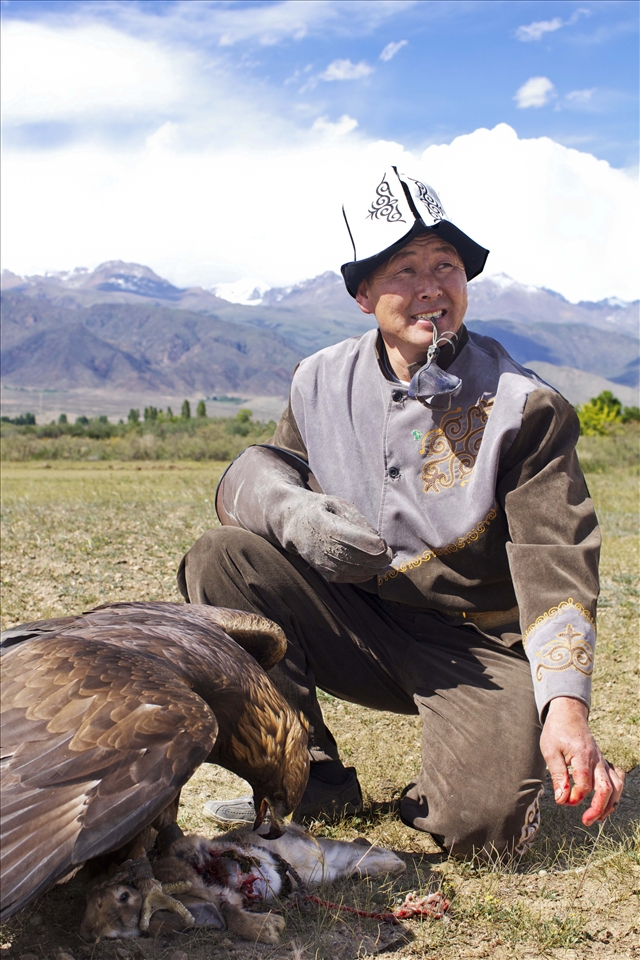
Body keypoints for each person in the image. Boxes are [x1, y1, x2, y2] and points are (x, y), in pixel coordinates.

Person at [178, 168, 625, 856]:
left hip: (481, 647)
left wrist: (565, 708)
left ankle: (484, 766)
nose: (430, 287)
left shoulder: (524, 407)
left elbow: (557, 559)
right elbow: (257, 475)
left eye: (445, 266)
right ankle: (305, 775)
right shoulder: (319, 379)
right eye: (405, 269)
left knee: (482, 829)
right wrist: (294, 513)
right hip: (362, 623)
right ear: (363, 293)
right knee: (223, 560)